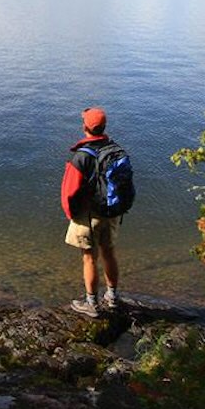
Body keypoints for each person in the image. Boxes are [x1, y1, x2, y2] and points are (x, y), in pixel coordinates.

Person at [60, 106, 122, 317]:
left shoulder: (81, 156)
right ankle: (112, 297)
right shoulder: (115, 149)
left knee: (89, 257)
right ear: (104, 127)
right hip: (112, 212)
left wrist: (71, 215)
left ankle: (92, 304)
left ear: (85, 127)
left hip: (89, 216)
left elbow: (70, 191)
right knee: (109, 252)